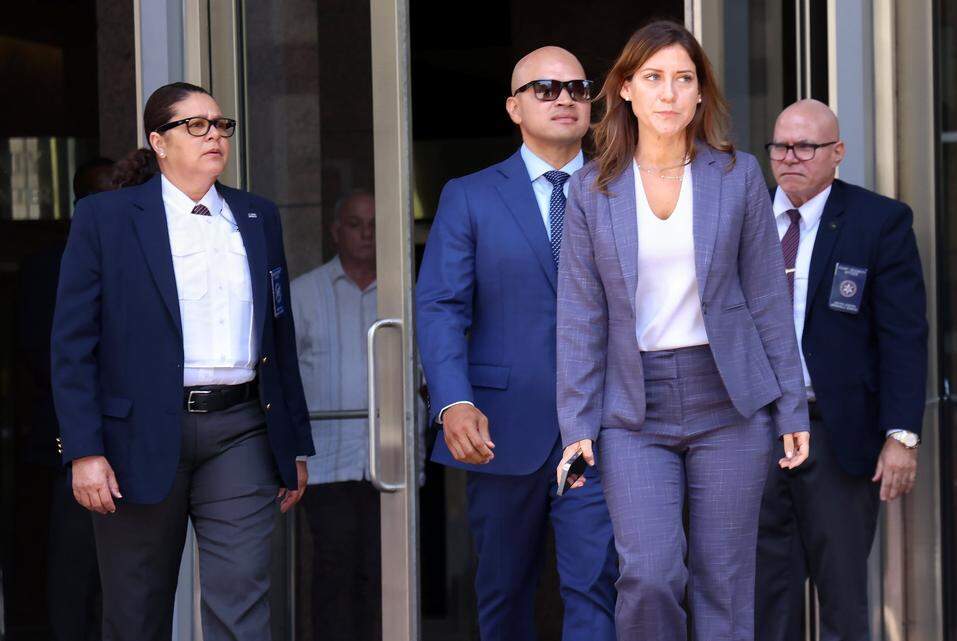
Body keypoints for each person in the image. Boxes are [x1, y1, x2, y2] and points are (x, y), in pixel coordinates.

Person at [556, 21, 810, 641]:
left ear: (700, 93)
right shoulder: (592, 188)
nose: (668, 93)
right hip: (632, 408)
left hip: (729, 401)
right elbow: (581, 316)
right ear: (625, 89)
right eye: (653, 78)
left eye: (683, 79)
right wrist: (577, 426)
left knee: (724, 582)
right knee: (650, 575)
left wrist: (791, 406)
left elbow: (767, 300)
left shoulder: (737, 175)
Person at [51, 81, 314, 641]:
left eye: (220, 125)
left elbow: (279, 332)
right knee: (137, 610)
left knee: (242, 601)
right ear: (158, 141)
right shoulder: (106, 217)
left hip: (242, 428)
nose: (213, 135)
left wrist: (291, 442)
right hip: (137, 434)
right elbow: (72, 344)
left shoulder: (257, 215)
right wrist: (84, 450)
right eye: (195, 125)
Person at [415, 47, 618, 641]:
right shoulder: (470, 194)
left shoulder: (623, 189)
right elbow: (441, 306)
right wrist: (453, 401)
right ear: (513, 107)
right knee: (503, 596)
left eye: (578, 88)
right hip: (501, 428)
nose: (565, 99)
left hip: (604, 425)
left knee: (596, 589)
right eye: (546, 88)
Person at [753, 99, 928, 641]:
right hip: (754, 430)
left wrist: (901, 435)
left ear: (838, 152)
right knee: (764, 598)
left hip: (836, 431)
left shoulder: (878, 221)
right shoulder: (743, 217)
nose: (790, 157)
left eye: (806, 147)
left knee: (843, 596)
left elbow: (903, 335)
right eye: (780, 146)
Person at [16, 157, 116, 641]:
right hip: (72, 438)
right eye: (103, 197)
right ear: (82, 205)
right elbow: (44, 355)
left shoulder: (143, 255)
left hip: (139, 440)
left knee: (125, 575)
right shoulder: (48, 266)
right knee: (74, 568)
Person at [291, 191, 379, 641]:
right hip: (326, 463)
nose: (366, 234)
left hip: (389, 463)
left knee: (383, 576)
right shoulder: (304, 293)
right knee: (335, 573)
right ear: (335, 231)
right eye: (356, 224)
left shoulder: (407, 293)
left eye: (375, 225)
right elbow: (283, 379)